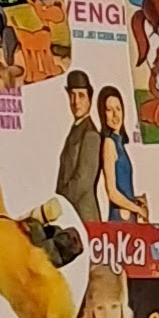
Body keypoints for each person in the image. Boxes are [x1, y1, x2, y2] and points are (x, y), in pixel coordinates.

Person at [53, 70, 102, 230]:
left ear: (90, 99)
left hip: (84, 216)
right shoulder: (76, 129)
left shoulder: (91, 135)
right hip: (71, 215)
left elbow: (82, 181)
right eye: (72, 95)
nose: (75, 102)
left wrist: (60, 203)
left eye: (81, 96)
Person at [94, 85, 137, 218]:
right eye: (109, 110)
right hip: (120, 216)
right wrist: (138, 209)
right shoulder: (109, 143)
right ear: (103, 114)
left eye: (118, 108)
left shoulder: (120, 144)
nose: (115, 115)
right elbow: (112, 192)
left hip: (129, 215)